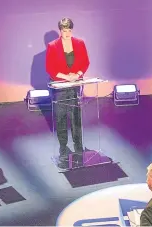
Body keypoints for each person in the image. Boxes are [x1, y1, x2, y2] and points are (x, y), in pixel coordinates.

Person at [46, 17, 90, 167]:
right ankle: (63, 148)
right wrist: (65, 77)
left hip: (75, 86)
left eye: (69, 30)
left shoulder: (79, 43)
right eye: (65, 31)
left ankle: (79, 148)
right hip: (60, 88)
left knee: (76, 119)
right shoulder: (52, 46)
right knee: (61, 119)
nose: (67, 33)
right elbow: (50, 68)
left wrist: (77, 75)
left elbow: (85, 62)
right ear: (60, 30)